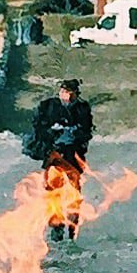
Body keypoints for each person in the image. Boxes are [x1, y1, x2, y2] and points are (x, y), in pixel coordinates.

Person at [25, 76, 95, 244]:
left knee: (74, 196)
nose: (67, 97)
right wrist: (52, 136)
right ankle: (56, 228)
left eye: (71, 93)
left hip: (73, 159)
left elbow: (87, 131)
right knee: (53, 194)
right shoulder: (48, 106)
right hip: (54, 157)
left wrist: (73, 134)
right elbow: (38, 128)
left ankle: (72, 230)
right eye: (64, 92)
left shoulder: (82, 109)